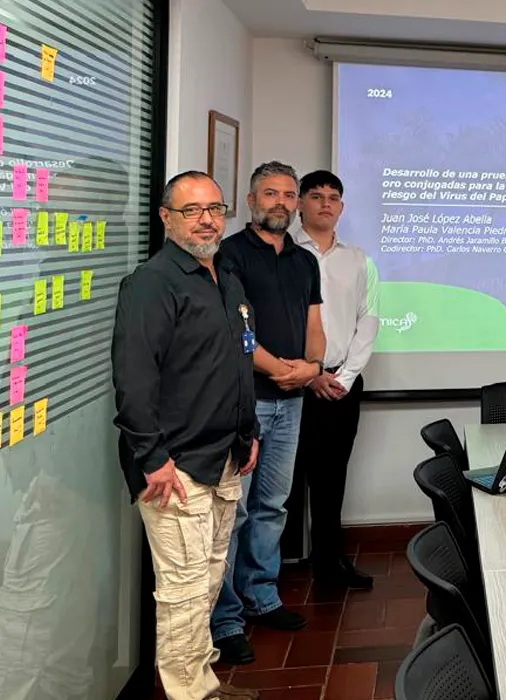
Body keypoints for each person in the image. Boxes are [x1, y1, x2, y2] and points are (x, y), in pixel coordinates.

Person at [111, 171, 259, 699]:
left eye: (214, 209)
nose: (206, 220)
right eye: (192, 210)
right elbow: (133, 381)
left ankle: (203, 683)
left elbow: (239, 363)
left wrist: (250, 431)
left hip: (224, 458)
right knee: (183, 591)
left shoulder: (226, 279)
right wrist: (152, 459)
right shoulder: (152, 283)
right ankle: (187, 694)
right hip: (173, 469)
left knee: (209, 581)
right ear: (166, 218)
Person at [211, 161, 325, 665]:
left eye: (287, 194)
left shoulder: (304, 260)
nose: (280, 202)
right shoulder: (229, 254)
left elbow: (314, 322)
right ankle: (226, 619)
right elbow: (234, 329)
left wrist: (313, 365)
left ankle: (262, 596)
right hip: (246, 400)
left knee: (273, 506)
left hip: (293, 399)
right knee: (232, 513)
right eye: (269, 193)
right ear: (251, 199)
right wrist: (284, 368)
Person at [289, 170, 379, 587]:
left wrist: (343, 375)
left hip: (342, 384)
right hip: (292, 384)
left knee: (332, 478)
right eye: (316, 195)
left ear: (341, 207)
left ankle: (330, 564)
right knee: (285, 482)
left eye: (333, 197)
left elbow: (368, 320)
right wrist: (311, 376)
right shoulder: (284, 252)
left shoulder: (358, 259)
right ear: (300, 203)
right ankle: (278, 571)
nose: (325, 203)